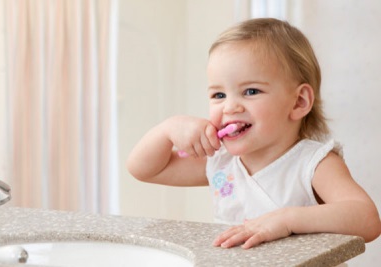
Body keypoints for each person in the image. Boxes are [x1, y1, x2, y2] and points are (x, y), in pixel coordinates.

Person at [127, 18, 381, 249]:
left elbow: (366, 219)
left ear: (298, 102)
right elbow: (144, 169)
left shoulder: (314, 163)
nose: (230, 107)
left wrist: (287, 220)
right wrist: (167, 129)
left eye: (250, 91)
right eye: (219, 95)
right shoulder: (221, 161)